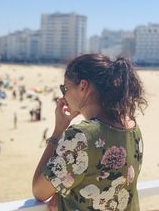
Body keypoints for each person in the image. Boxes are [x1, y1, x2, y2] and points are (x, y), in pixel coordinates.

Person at [32, 54, 147, 210]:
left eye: (64, 88)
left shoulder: (81, 136)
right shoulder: (132, 127)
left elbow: (39, 191)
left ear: (83, 86)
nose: (62, 96)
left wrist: (58, 131)